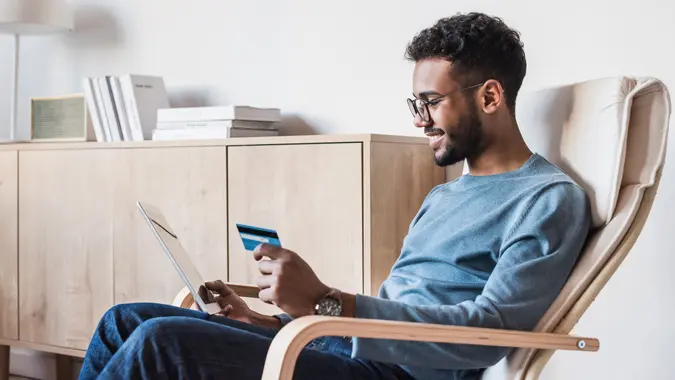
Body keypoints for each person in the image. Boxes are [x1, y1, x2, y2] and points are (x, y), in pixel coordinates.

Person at [79, 12, 591, 380]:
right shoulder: (446, 195)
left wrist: (326, 300)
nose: (418, 119)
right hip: (352, 352)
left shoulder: (546, 199)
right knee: (123, 320)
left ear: (490, 96)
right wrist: (268, 320)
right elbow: (390, 309)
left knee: (161, 343)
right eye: (416, 102)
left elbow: (490, 330)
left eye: (431, 102)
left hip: (402, 375)